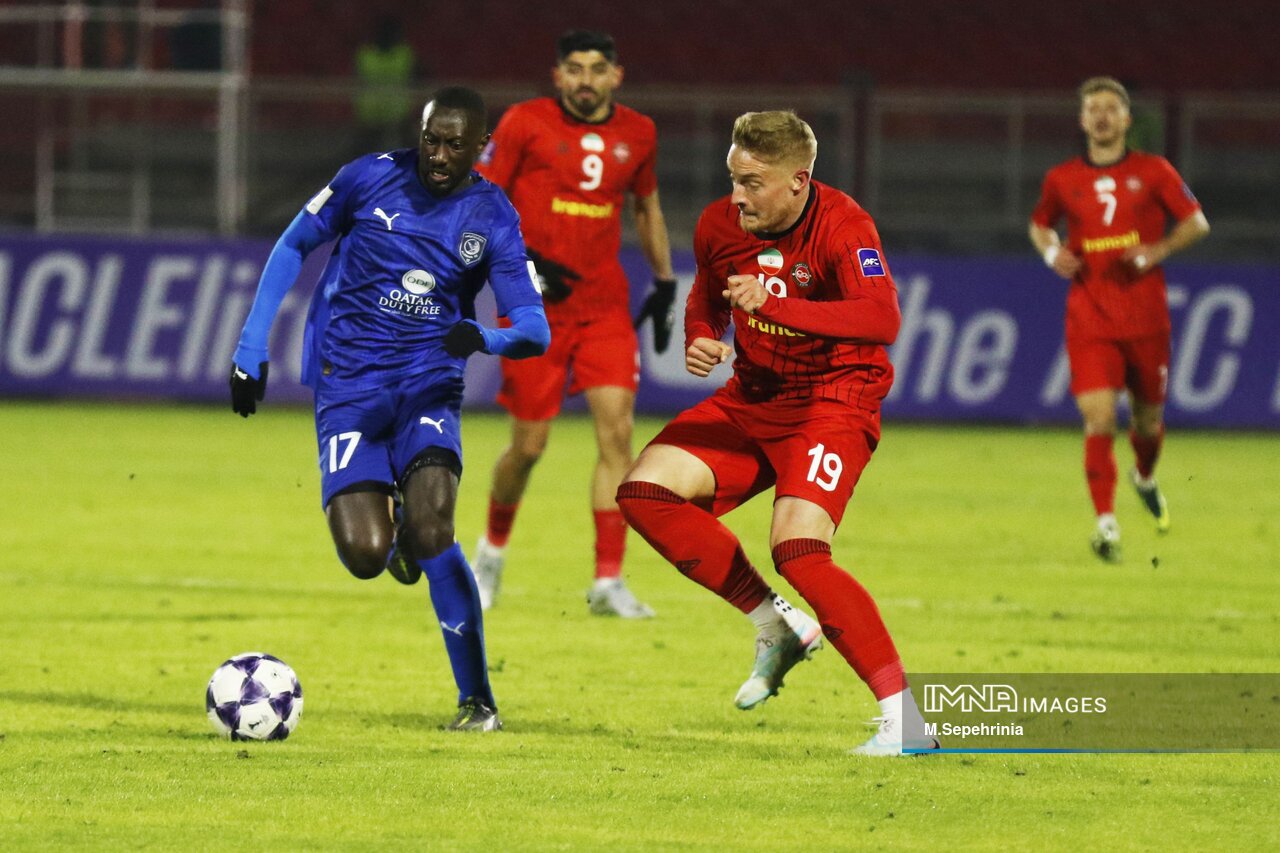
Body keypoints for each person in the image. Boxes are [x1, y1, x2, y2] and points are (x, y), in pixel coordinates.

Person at [615, 110, 937, 756]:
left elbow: (882, 319)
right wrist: (701, 335)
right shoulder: (720, 224)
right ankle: (775, 622)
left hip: (834, 398)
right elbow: (707, 296)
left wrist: (776, 305)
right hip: (755, 396)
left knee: (798, 549)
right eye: (733, 179)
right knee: (645, 492)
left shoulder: (844, 226)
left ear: (798, 181)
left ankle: (905, 721)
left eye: (752, 183)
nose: (737, 196)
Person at [229, 86, 550, 732]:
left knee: (434, 531)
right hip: (347, 384)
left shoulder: (493, 215)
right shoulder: (367, 178)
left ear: (480, 146)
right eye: (430, 139)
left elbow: (534, 328)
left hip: (428, 387)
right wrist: (250, 346)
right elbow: (292, 244)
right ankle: (394, 528)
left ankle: (478, 700)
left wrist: (484, 338)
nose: (438, 155)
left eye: (454, 144)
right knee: (364, 555)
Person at [470, 30, 678, 618]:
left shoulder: (639, 133)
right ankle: (490, 554)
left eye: (597, 69)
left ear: (616, 76)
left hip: (604, 307)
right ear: (558, 75)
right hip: (532, 309)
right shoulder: (524, 122)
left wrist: (665, 282)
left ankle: (608, 581)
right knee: (528, 447)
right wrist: (525, 264)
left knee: (618, 435)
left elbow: (646, 207)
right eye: (575, 69)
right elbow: (482, 201)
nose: (586, 80)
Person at [1029, 76, 1209, 562]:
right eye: (1094, 109)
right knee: (1100, 418)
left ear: (1127, 119)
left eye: (1111, 108)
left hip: (1146, 318)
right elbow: (1040, 224)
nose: (1102, 117)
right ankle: (1105, 524)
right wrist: (1051, 254)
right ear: (1082, 120)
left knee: (1148, 424)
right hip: (1090, 317)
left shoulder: (1154, 171)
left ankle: (1144, 476)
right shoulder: (1062, 179)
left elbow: (1196, 221)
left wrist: (1158, 250)